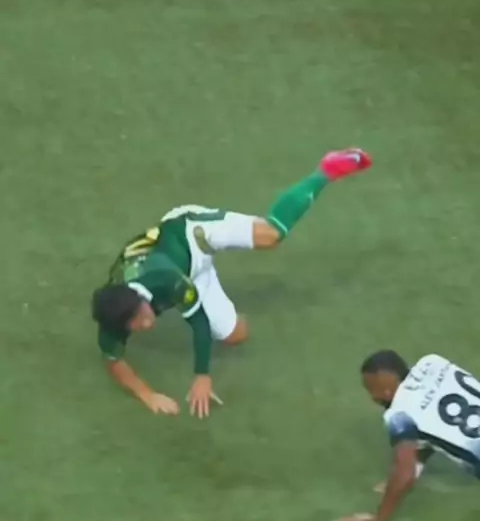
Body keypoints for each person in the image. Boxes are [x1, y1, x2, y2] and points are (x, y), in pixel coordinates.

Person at [92, 148, 371, 419]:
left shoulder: (164, 279)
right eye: (135, 325)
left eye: (142, 315)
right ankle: (214, 291)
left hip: (191, 234)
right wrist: (147, 395)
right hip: (191, 273)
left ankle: (326, 170)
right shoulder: (112, 313)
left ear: (141, 299)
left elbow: (198, 322)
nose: (146, 324)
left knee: (270, 235)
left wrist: (202, 376)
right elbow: (113, 361)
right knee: (236, 336)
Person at [333, 350, 480, 521]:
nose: (374, 397)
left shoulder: (399, 414)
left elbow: (404, 475)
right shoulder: (433, 362)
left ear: (386, 390)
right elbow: (432, 420)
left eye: (373, 389)